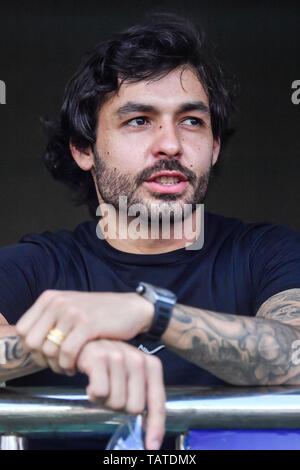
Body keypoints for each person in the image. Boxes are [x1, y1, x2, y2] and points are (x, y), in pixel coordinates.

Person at [1, 13, 300, 451]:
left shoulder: (267, 253)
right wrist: (71, 342)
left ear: (214, 146)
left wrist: (152, 314)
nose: (171, 143)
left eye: (192, 121)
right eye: (139, 120)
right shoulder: (35, 265)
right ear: (84, 149)